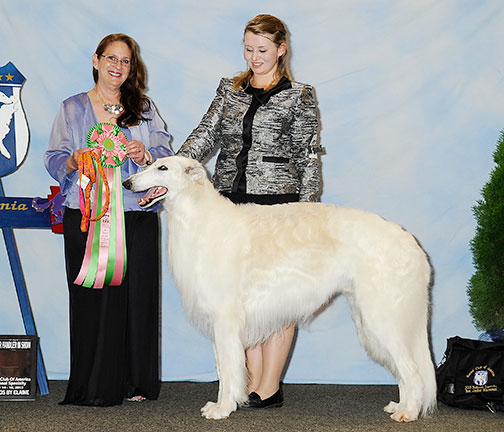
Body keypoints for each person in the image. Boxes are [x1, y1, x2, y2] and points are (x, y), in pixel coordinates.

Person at [177, 14, 322, 409]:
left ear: (280, 49)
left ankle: (269, 386)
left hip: (279, 208)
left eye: (262, 50)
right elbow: (205, 134)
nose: (253, 57)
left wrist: (307, 213)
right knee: (237, 299)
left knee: (278, 298)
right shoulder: (229, 89)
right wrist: (172, 168)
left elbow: (307, 157)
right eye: (247, 48)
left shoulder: (300, 95)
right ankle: (248, 382)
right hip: (227, 205)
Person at [45, 33, 173, 406]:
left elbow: (165, 152)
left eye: (126, 61)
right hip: (85, 215)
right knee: (92, 299)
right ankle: (93, 384)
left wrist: (145, 152)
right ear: (97, 60)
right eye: (112, 58)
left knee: (137, 299)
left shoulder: (144, 108)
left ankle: (137, 383)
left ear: (132, 67)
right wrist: (73, 160)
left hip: (137, 215)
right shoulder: (72, 108)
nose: (118, 66)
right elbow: (54, 157)